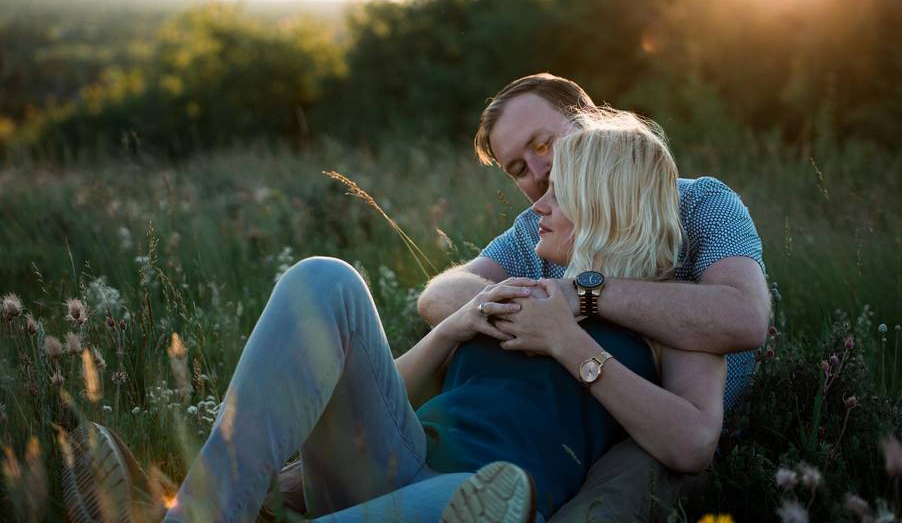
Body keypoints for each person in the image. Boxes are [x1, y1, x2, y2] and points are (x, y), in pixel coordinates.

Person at [66, 108, 730, 523]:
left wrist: (570, 345)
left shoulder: (669, 319)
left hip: (487, 497)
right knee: (323, 279)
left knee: (479, 508)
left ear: (604, 203)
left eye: (557, 193)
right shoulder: (523, 282)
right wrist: (449, 331)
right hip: (398, 457)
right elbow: (387, 391)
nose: (536, 205)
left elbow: (692, 442)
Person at [417, 73, 769, 521]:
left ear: (589, 121)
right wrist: (535, 310)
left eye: (542, 145)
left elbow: (743, 317)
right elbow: (442, 295)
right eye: (519, 169)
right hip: (565, 417)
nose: (538, 174)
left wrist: (583, 296)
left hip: (657, 428)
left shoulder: (700, 205)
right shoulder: (541, 227)